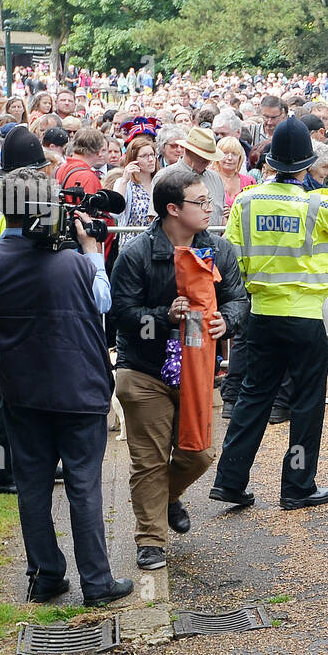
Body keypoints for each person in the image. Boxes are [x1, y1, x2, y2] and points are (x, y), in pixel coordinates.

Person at [0, 167, 133, 607]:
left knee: (33, 485)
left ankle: (44, 575)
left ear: (5, 210)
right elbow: (102, 301)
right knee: (84, 485)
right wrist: (92, 251)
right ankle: (97, 584)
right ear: (50, 207)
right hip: (80, 390)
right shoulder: (79, 264)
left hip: (23, 391)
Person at [209, 118, 328, 510]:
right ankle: (297, 486)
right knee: (306, 403)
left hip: (259, 315)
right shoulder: (317, 203)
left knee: (252, 399)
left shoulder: (246, 202)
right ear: (305, 165)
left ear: (270, 162)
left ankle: (230, 481)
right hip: (305, 319)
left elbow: (229, 257)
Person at [111, 168, 249, 571]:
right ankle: (151, 540)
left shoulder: (220, 250)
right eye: (201, 202)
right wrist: (163, 316)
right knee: (150, 461)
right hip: (143, 371)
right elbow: (120, 314)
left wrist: (229, 319)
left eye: (210, 201)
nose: (212, 207)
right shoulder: (136, 252)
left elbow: (239, 299)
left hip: (197, 370)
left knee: (199, 455)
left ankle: (166, 498)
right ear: (173, 209)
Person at [0, 127, 53, 495]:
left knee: (13, 390)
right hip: (13, 308)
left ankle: (30, 460)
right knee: (13, 395)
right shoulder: (17, 205)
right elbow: (25, 258)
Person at [110, 136, 158, 249]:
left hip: (156, 245)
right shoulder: (124, 183)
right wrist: (124, 181)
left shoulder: (160, 181)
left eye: (152, 155)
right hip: (131, 246)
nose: (151, 159)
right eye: (144, 156)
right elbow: (115, 213)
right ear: (133, 160)